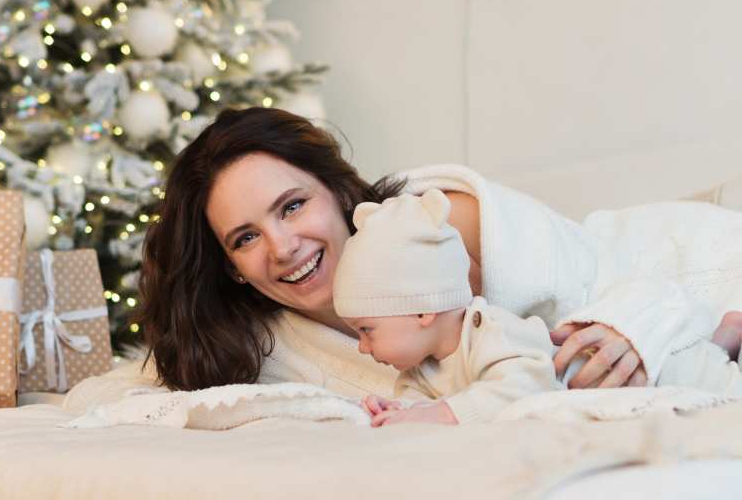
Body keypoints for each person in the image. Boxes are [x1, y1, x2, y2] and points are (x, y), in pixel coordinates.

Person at [136, 106, 742, 402]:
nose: (282, 246)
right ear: (230, 268)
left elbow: (617, 282)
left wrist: (637, 328)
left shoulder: (443, 224)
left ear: (339, 192)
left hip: (672, 264)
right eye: (245, 238)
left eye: (292, 205)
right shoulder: (264, 341)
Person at [333, 189, 742, 427]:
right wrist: (396, 412)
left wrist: (441, 414)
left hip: (655, 371)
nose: (363, 347)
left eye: (367, 330)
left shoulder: (493, 330)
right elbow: (419, 410)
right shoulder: (420, 371)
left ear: (422, 310)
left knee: (714, 381)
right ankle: (724, 337)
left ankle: (725, 338)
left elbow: (522, 389)